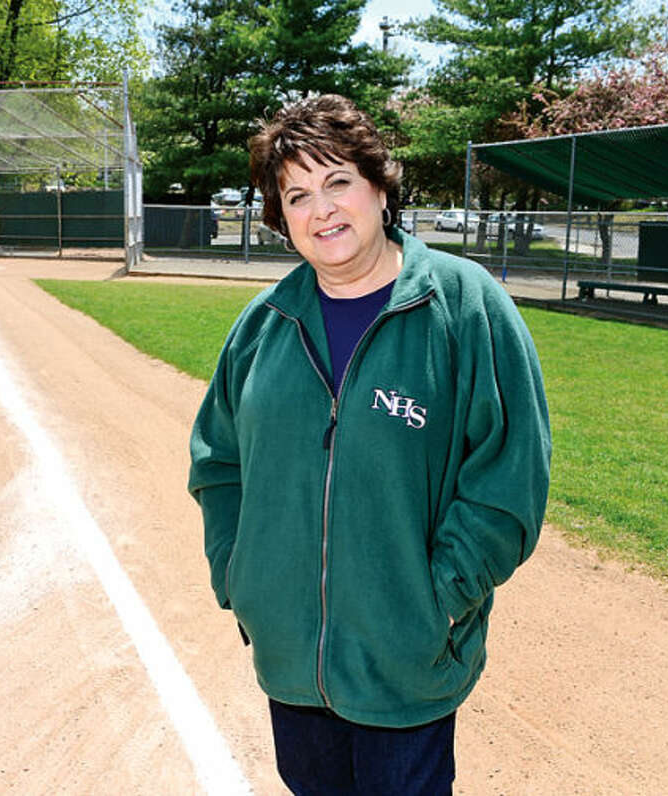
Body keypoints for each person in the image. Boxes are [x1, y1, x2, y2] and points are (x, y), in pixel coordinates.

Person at [187, 94, 552, 795]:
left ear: (380, 186)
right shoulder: (263, 325)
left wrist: (435, 600)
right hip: (292, 662)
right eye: (297, 194)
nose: (321, 209)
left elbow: (508, 477)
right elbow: (218, 459)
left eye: (337, 182)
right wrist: (241, 579)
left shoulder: (465, 305)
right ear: (280, 218)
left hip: (406, 660)